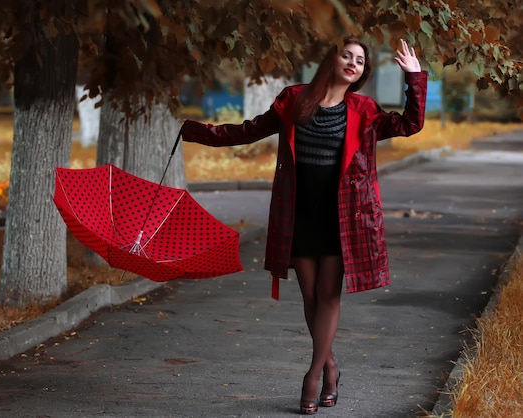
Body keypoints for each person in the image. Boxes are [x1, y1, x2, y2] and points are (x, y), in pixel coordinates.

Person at [180, 38, 426, 415]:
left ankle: (313, 376)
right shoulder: (293, 99)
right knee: (310, 296)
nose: (352, 63)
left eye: (360, 61)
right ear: (331, 58)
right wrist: (196, 132)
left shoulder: (365, 110)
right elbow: (248, 130)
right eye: (347, 55)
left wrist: (414, 77)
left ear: (362, 73)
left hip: (343, 217)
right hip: (298, 214)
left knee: (328, 295)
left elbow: (411, 123)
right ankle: (331, 367)